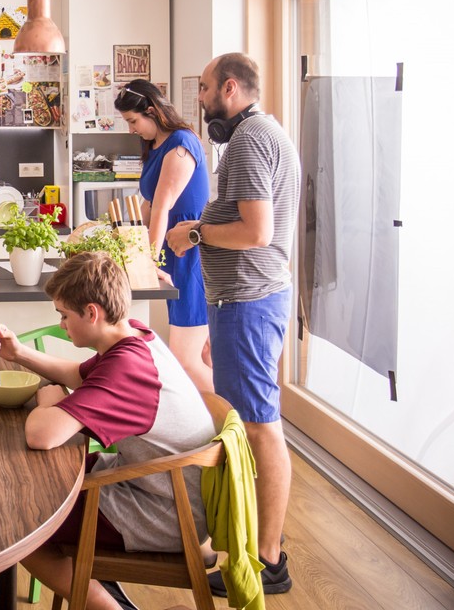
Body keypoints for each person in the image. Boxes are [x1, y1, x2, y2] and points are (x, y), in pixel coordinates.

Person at [0, 252, 215, 610]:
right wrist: (19, 355)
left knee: (17, 521)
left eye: (64, 315)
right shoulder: (135, 336)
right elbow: (79, 375)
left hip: (165, 514)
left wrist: (49, 398)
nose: (62, 324)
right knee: (32, 486)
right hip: (157, 489)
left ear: (91, 313)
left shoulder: (126, 367)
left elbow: (41, 435)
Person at [166, 52, 300, 595]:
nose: (198, 99)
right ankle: (257, 543)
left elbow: (256, 231)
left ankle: (266, 561)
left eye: (202, 89)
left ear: (228, 88)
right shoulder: (263, 133)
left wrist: (193, 233)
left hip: (249, 299)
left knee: (261, 427)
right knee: (249, 420)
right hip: (245, 300)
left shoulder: (248, 140)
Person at [115, 79, 212, 392]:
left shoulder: (181, 143)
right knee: (203, 354)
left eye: (133, 121)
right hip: (171, 247)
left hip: (188, 253)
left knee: (186, 359)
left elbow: (162, 207)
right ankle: (218, 417)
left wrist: (149, 261)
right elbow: (147, 205)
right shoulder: (155, 145)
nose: (131, 129)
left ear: (152, 111)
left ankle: (234, 416)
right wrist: (122, 240)